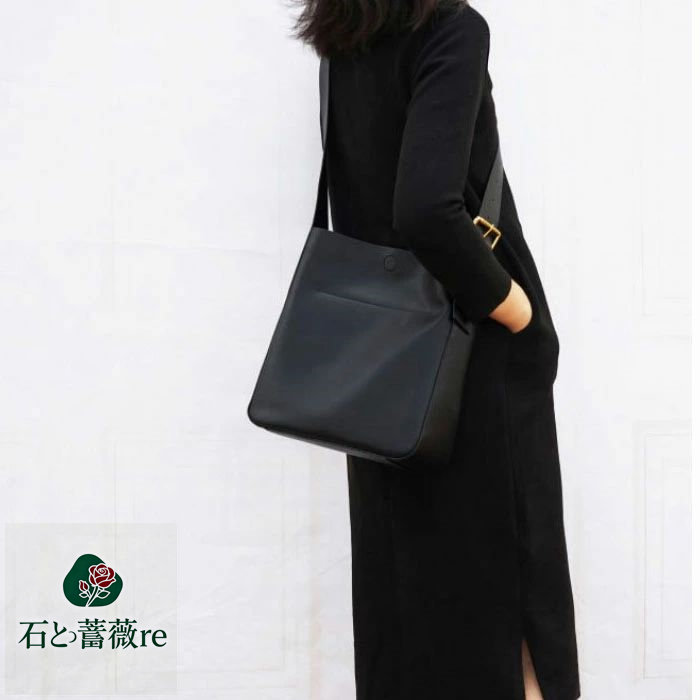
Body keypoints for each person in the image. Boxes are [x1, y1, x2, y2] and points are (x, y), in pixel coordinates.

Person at [295, 1, 580, 698]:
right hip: (470, 357)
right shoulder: (452, 28)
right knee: (510, 605)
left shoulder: (343, 34)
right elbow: (426, 209)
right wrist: (515, 308)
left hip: (379, 364)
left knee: (405, 601)